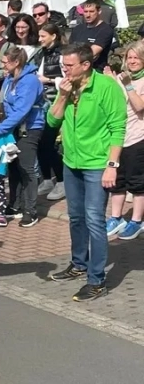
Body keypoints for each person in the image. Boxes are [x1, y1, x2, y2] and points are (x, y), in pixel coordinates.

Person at [45, 43, 126, 301]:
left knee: (94, 220)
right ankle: (79, 264)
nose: (64, 70)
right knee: (76, 217)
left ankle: (97, 279)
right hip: (72, 162)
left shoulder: (105, 87)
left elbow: (118, 129)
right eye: (63, 65)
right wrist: (62, 96)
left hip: (97, 164)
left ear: (85, 65)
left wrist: (111, 166)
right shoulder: (68, 87)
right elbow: (52, 120)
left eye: (69, 66)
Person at [0, 45, 46, 227]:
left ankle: (30, 211)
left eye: (5, 62)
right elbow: (6, 105)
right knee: (14, 166)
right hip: (13, 128)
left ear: (16, 62)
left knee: (27, 168)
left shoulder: (30, 81)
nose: (2, 65)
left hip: (29, 128)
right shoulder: (9, 78)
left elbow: (22, 110)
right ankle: (15, 204)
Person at [107, 41, 144, 241]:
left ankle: (137, 220)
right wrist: (112, 81)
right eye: (129, 57)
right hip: (120, 137)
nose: (132, 61)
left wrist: (129, 84)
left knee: (137, 182)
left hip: (139, 137)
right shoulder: (121, 78)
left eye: (136, 58)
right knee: (117, 181)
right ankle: (115, 217)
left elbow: (139, 106)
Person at [34, 22, 66, 200]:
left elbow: (69, 78)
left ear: (53, 36)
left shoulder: (62, 54)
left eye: (43, 36)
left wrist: (48, 80)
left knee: (51, 143)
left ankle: (61, 182)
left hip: (56, 102)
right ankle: (47, 179)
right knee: (39, 140)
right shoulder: (41, 53)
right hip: (41, 102)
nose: (39, 40)